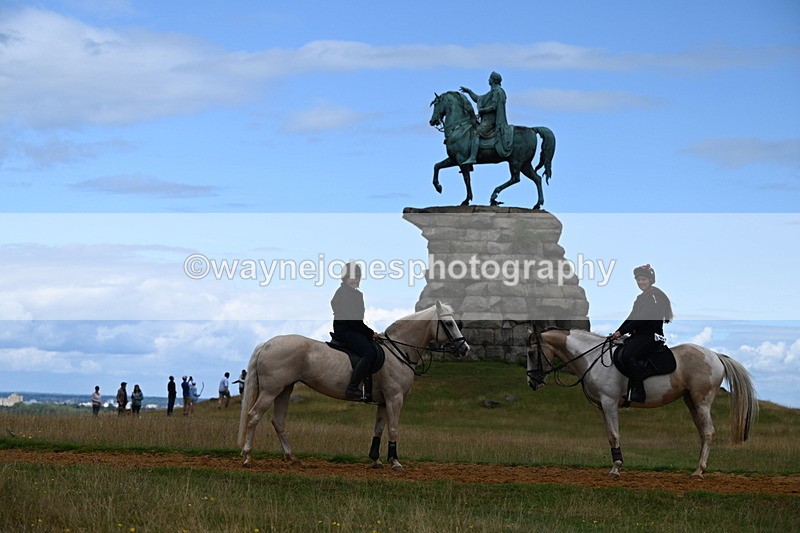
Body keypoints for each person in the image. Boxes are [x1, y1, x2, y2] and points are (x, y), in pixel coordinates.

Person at [611, 264, 674, 405]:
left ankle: (639, 392)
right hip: (639, 335)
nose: (640, 282)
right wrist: (618, 331)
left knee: (628, 356)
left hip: (651, 336)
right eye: (638, 280)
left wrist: (622, 332)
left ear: (650, 280)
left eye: (643, 279)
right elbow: (632, 317)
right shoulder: (640, 298)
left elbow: (643, 319)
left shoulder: (654, 297)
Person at [331, 262, 379, 400]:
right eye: (352, 277)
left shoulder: (356, 294)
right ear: (345, 278)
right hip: (345, 329)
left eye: (358, 277)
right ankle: (352, 388)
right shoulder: (343, 293)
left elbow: (358, 321)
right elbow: (352, 320)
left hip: (354, 328)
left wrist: (369, 333)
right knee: (369, 353)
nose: (356, 280)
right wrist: (370, 333)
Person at [460, 71, 514, 164]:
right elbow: (478, 98)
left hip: (491, 122)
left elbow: (494, 106)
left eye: (490, 78)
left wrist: (482, 110)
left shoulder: (497, 91)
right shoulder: (492, 92)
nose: (488, 79)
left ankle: (473, 157)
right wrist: (469, 91)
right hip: (486, 121)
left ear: (493, 80)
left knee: (476, 133)